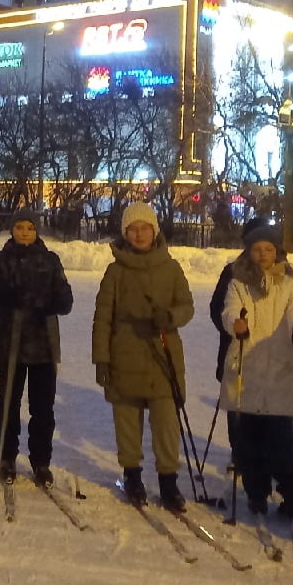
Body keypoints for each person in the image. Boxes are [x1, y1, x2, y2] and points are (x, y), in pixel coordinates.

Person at [92, 202, 194, 511]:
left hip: (163, 358)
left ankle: (168, 480)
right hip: (124, 356)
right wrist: (102, 359)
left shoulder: (171, 267)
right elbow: (102, 318)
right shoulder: (115, 271)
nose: (139, 234)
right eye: (132, 229)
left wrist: (170, 316)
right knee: (127, 421)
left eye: (144, 228)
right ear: (125, 234)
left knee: (165, 422)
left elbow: (187, 306)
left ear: (154, 231)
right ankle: (132, 475)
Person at [220, 221, 293, 518]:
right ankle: (256, 492)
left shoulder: (289, 282)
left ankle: (292, 493)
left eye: (268, 249)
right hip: (246, 367)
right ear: (249, 251)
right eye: (257, 249)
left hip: (279, 370)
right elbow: (230, 309)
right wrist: (236, 324)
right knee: (248, 442)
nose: (262, 254)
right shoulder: (238, 281)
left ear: (277, 252)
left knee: (281, 442)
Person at [0, 210, 74, 486]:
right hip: (12, 342)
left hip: (43, 344)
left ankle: (41, 461)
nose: (24, 232)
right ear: (12, 230)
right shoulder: (0, 260)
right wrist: (7, 298)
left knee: (43, 407)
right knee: (9, 402)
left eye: (30, 228)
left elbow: (65, 299)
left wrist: (51, 301)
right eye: (19, 227)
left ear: (37, 231)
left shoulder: (50, 260)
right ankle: (7, 456)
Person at [208, 215, 271, 384]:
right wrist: (233, 326)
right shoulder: (233, 272)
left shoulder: (283, 274)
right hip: (237, 354)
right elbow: (217, 308)